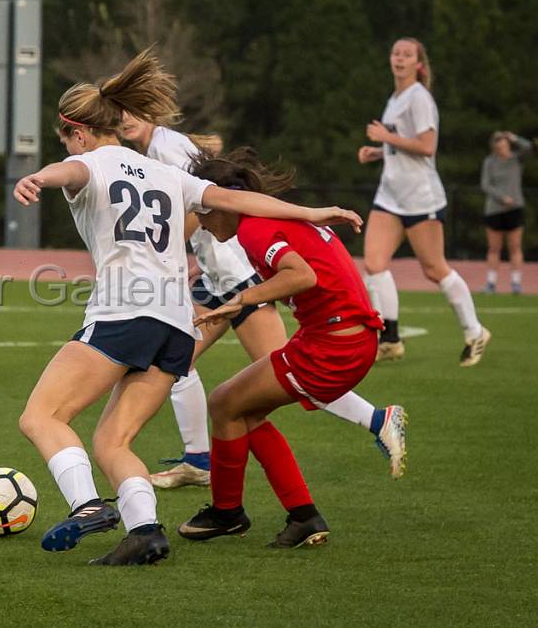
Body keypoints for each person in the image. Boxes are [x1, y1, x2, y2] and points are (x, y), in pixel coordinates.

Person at [13, 47, 364, 565]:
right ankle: (145, 533)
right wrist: (313, 211)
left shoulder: (85, 162)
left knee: (42, 416)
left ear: (79, 132)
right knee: (113, 439)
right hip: (176, 324)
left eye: (64, 137)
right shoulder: (163, 173)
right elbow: (238, 200)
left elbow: (70, 174)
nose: (66, 149)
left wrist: (40, 178)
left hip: (123, 313)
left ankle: (88, 505)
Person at [119, 114, 407, 484]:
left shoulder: (165, 147)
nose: (124, 121)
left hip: (240, 279)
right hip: (221, 276)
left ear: (150, 112)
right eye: (119, 116)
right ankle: (199, 459)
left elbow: (204, 208)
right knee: (178, 360)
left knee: (283, 380)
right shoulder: (160, 147)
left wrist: (165, 253)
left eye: (131, 112)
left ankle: (375, 422)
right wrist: (199, 265)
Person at [178, 148, 381, 549]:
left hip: (334, 346)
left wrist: (245, 298)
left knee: (224, 404)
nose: (200, 222)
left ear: (225, 202)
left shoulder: (254, 229)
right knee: (240, 411)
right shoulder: (266, 219)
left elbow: (301, 276)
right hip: (342, 337)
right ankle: (300, 516)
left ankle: (229, 512)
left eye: (203, 211)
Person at [358, 37, 488, 365]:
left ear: (418, 63)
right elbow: (403, 145)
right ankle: (390, 338)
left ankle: (475, 332)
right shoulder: (395, 97)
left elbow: (427, 146)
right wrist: (378, 151)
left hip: (420, 199)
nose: (399, 58)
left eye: (407, 54)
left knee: (434, 268)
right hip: (390, 196)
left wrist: (385, 137)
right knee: (373, 264)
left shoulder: (419, 97)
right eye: (395, 52)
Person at [481, 131, 532, 294]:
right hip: (495, 210)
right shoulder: (490, 162)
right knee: (494, 248)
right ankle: (491, 282)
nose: (501, 147)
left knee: (515, 247)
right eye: (498, 144)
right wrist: (502, 198)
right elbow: (486, 185)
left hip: (514, 209)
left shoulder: (516, 159)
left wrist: (514, 137)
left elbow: (529, 147)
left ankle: (516, 283)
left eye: (504, 144)